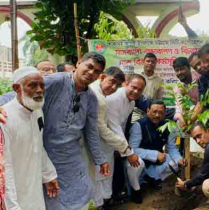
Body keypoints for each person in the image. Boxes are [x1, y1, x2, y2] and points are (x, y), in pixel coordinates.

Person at [0, 52, 110, 210]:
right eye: (89, 66)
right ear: (79, 63)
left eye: (97, 71)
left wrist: (100, 159)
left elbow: (91, 130)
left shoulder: (91, 98)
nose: (92, 73)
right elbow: (22, 89)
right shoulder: (56, 81)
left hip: (73, 157)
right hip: (48, 155)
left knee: (84, 193)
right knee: (53, 200)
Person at [1, 67, 59, 210]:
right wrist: (12, 206)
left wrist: (48, 175)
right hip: (13, 192)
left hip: (34, 187)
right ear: (16, 88)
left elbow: (37, 146)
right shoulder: (4, 119)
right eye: (32, 85)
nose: (39, 90)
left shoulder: (37, 111)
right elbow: (4, 168)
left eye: (42, 85)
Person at [82, 66, 130, 210]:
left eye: (117, 85)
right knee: (95, 177)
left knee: (98, 176)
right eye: (112, 82)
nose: (113, 87)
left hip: (94, 142)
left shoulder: (96, 91)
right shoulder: (99, 98)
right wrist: (122, 145)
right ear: (102, 77)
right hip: (88, 143)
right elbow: (101, 128)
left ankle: (100, 203)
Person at [126, 100, 186, 203]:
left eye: (161, 112)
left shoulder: (168, 125)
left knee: (175, 163)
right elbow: (132, 149)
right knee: (135, 164)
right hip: (141, 160)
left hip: (156, 161)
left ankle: (151, 178)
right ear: (148, 110)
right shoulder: (139, 125)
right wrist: (155, 154)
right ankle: (136, 189)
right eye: (154, 111)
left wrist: (179, 159)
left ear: (165, 112)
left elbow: (172, 148)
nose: (157, 115)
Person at [105, 74, 146, 204]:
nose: (136, 91)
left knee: (136, 165)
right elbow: (114, 126)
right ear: (125, 83)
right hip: (103, 142)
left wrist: (121, 147)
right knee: (103, 175)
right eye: (133, 87)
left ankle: (120, 194)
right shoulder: (113, 98)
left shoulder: (132, 102)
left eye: (140, 90)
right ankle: (103, 202)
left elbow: (121, 127)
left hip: (116, 142)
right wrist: (127, 151)